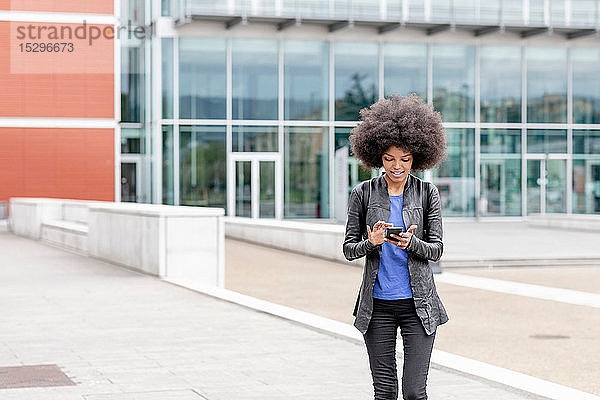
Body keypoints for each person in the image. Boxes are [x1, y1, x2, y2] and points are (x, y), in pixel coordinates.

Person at [342, 93, 449, 400]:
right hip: (377, 306)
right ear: (377, 157)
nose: (397, 166)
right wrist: (370, 242)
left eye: (404, 159)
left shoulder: (427, 192)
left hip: (419, 306)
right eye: (389, 159)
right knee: (385, 393)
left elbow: (437, 249)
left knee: (415, 393)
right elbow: (349, 248)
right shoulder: (363, 193)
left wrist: (413, 243)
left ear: (416, 156)